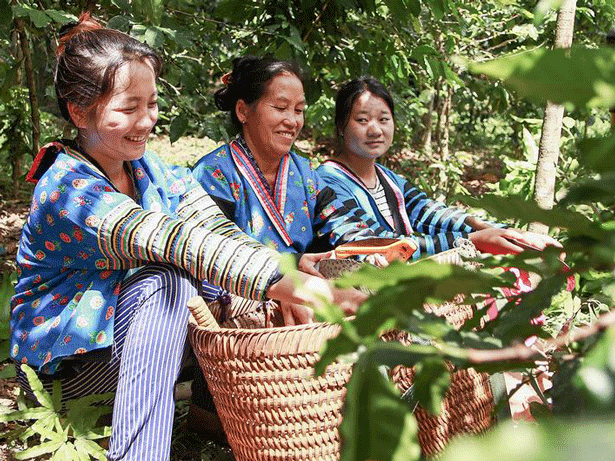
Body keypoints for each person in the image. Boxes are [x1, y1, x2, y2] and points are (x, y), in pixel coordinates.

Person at [9, 14, 365, 461]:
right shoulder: (68, 188)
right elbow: (167, 238)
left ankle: (222, 414)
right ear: (79, 110)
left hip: (128, 349)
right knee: (166, 281)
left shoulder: (155, 171)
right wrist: (283, 280)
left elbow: (215, 232)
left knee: (219, 280)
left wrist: (289, 272)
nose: (147, 121)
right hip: (69, 369)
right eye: (128, 108)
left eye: (152, 104)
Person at [191, 57, 398, 273]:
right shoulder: (214, 173)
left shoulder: (305, 173)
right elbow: (214, 251)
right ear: (243, 111)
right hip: (243, 297)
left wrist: (370, 249)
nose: (292, 121)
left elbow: (341, 221)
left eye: (298, 110)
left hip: (304, 293)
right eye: (281, 108)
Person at [317, 76, 560, 258]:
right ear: (341, 126)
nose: (375, 130)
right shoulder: (326, 182)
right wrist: (471, 240)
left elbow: (430, 213)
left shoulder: (388, 179)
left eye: (383, 119)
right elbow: (371, 245)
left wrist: (508, 233)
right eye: (362, 120)